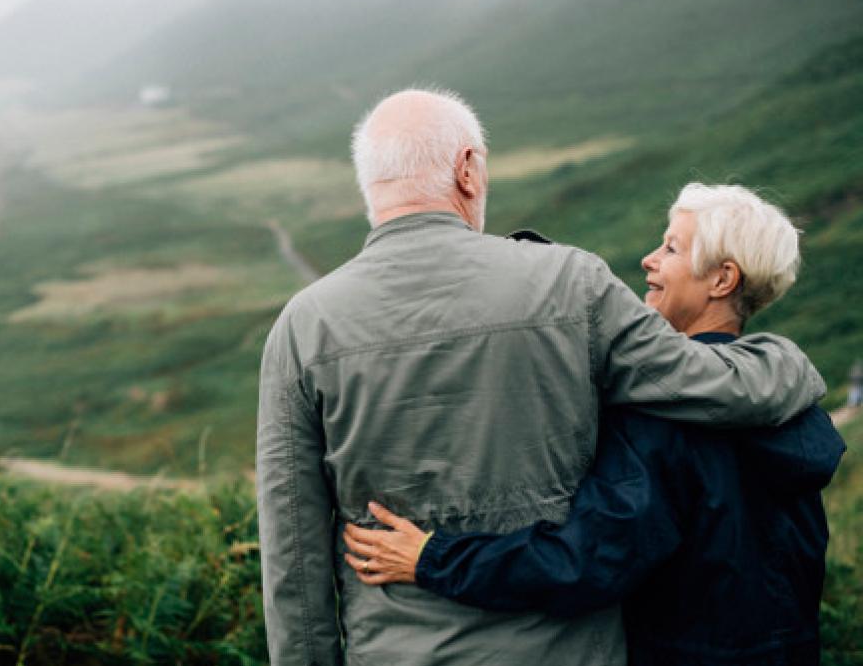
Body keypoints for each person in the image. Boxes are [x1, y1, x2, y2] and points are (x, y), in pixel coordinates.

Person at [256, 89, 826, 666]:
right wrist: (789, 362)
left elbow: (292, 557)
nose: (654, 260)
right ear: (469, 170)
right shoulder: (572, 284)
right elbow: (712, 385)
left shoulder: (302, 327)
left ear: (369, 186)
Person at [342, 183, 846, 665]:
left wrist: (433, 558)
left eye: (671, 249)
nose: (649, 259)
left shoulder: (666, 419)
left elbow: (585, 564)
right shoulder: (791, 407)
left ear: (722, 280)